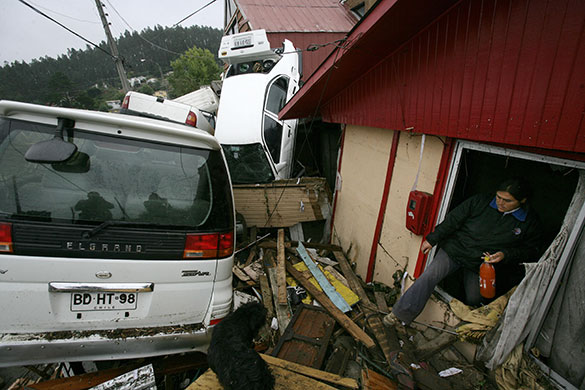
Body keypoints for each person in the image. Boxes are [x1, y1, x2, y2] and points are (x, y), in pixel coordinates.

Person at [383, 178, 542, 327]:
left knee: (475, 299)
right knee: (429, 276)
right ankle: (399, 315)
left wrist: (505, 254)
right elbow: (454, 219)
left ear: (522, 201)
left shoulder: (528, 221)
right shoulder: (480, 201)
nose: (500, 202)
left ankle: (464, 331)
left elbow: (530, 250)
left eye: (507, 200)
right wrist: (432, 239)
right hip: (456, 249)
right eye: (498, 197)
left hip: (480, 263)